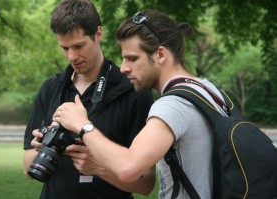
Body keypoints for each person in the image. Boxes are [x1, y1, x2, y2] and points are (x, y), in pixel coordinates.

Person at [52, 9, 230, 199]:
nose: (123, 68)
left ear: (160, 54)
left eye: (132, 58)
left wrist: (83, 125)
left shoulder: (172, 106)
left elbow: (128, 168)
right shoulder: (209, 90)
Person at [22, 1, 156, 199]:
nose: (72, 56)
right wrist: (44, 147)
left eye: (79, 46)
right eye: (64, 48)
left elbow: (146, 183)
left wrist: (99, 167)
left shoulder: (132, 90)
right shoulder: (51, 88)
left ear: (98, 34)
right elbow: (27, 167)